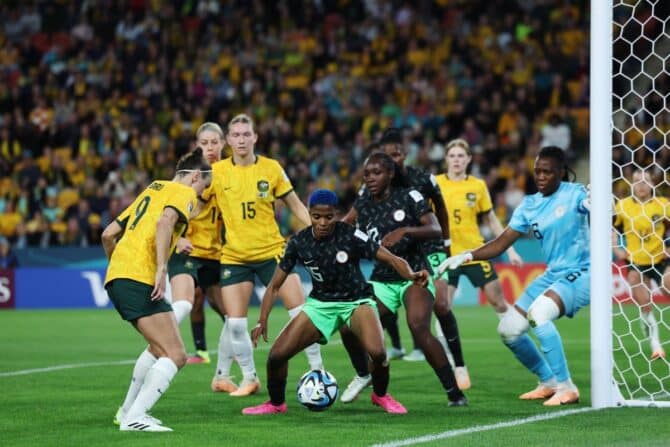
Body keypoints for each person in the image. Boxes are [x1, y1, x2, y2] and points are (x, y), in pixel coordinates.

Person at [242, 189, 427, 415]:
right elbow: (274, 286)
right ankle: (276, 403)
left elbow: (390, 257)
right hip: (321, 305)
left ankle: (380, 395)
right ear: (309, 214)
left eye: (328, 217)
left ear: (337, 214)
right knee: (276, 356)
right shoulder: (299, 242)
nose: (322, 222)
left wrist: (411, 275)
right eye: (316, 217)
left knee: (378, 354)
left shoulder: (350, 235)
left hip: (357, 301)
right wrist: (262, 320)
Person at [438, 146, 589, 406]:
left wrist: (598, 203)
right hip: (553, 274)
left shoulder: (575, 193)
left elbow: (598, 210)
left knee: (539, 314)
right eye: (537, 171)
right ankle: (548, 381)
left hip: (584, 272)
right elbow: (500, 243)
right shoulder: (530, 204)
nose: (540, 176)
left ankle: (567, 387)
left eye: (547, 172)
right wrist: (465, 257)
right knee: (508, 330)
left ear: (561, 172)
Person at [206, 113, 323, 397]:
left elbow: (295, 205)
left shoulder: (271, 168)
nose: (242, 139)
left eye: (247, 134)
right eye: (236, 135)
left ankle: (318, 371)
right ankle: (250, 378)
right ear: (229, 140)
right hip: (234, 256)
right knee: (234, 323)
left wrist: (320, 235)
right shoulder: (217, 171)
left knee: (300, 313)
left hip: (273, 253)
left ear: (255, 137)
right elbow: (194, 205)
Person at [345, 152, 468, 406]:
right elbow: (353, 237)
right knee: (349, 327)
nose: (370, 178)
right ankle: (365, 375)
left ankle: (454, 393)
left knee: (418, 326)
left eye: (377, 173)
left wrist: (406, 230)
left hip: (414, 274)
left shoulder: (410, 196)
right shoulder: (364, 205)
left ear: (390, 174)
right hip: (382, 278)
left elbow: (434, 228)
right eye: (367, 174)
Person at [102, 148, 212, 431]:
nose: (200, 194)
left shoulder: (153, 188)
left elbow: (108, 234)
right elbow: (165, 222)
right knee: (175, 354)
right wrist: (162, 268)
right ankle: (135, 417)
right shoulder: (183, 192)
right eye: (203, 187)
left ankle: (128, 411)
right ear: (195, 176)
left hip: (119, 276)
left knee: (159, 347)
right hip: (140, 279)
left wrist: (119, 268)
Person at [434, 138, 524, 385]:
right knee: (443, 306)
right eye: (452, 155)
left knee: (498, 300)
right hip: (445, 255)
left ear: (469, 159)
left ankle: (517, 341)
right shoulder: (436, 184)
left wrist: (511, 251)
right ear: (446, 159)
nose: (456, 159)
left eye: (460, 156)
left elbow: (492, 220)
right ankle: (455, 365)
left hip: (474, 253)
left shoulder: (478, 186)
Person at [166, 122, 228, 366]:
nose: (210, 147)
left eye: (214, 142)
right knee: (194, 299)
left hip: (216, 251)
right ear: (197, 145)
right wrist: (177, 237)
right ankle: (200, 351)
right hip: (190, 249)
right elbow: (166, 205)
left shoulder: (229, 173)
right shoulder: (189, 172)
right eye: (204, 143)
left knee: (224, 307)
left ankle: (236, 348)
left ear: (223, 144)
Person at [613, 169, 668, 359]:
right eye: (637, 181)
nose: (641, 185)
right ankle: (656, 345)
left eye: (645, 181)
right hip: (636, 261)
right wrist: (616, 248)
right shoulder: (622, 206)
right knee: (642, 298)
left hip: (660, 259)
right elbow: (611, 227)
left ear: (652, 184)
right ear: (631, 185)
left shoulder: (664, 205)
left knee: (668, 286)